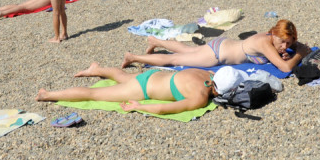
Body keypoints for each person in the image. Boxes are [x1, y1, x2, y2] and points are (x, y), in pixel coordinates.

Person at [36, 62, 228, 117]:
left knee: (121, 76)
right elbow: (163, 109)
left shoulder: (208, 74)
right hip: (143, 89)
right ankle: (47, 95)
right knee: (94, 94)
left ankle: (97, 69)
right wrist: (139, 106)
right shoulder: (200, 97)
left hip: (153, 75)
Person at [121, 18, 309, 73]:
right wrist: (299, 54)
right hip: (216, 55)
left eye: (288, 43)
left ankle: (155, 41)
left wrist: (291, 48)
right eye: (282, 41)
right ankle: (133, 57)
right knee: (175, 59)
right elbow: (284, 68)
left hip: (223, 44)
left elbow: (291, 46)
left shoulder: (270, 36)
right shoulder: (265, 43)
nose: (284, 46)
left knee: (188, 49)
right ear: (274, 34)